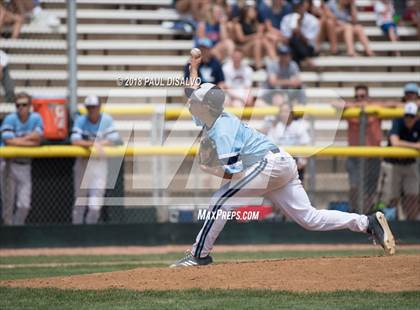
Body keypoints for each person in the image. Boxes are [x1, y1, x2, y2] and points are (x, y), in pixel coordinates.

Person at [169, 51, 396, 267]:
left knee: (221, 201)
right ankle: (367, 222)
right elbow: (192, 93)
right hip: (282, 163)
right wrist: (194, 68)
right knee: (310, 218)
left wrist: (211, 169)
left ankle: (199, 255)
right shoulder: (214, 116)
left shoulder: (221, 129)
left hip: (267, 166)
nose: (191, 105)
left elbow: (236, 174)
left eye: (196, 103)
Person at [71, 95, 121, 225]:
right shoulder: (81, 120)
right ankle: (77, 233)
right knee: (80, 202)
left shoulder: (106, 119)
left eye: (94, 107)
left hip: (99, 163)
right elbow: (75, 140)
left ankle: (89, 232)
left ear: (99, 107)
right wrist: (94, 144)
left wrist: (95, 143)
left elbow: (114, 139)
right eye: (89, 107)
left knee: (95, 205)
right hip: (83, 162)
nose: (92, 110)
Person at [0, 92, 43, 225]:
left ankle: (17, 228)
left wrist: (19, 140)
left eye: (24, 105)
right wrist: (29, 141)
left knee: (24, 205)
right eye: (18, 105)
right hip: (8, 164)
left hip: (25, 164)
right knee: (8, 203)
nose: (21, 108)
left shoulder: (36, 117)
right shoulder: (10, 119)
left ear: (30, 106)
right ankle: (9, 231)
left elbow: (39, 138)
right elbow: (7, 140)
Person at [377, 102, 420, 220]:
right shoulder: (398, 121)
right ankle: (392, 226)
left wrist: (404, 145)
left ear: (416, 116)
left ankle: (412, 227)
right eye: (407, 116)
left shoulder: (418, 124)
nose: (408, 119)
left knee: (413, 197)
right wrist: (415, 145)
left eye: (411, 116)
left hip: (409, 164)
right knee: (392, 198)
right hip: (393, 164)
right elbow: (395, 143)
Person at [344, 85, 382, 213]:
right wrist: (356, 106)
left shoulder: (376, 109)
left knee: (370, 190)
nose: (359, 99)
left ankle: (367, 214)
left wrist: (367, 107)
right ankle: (354, 212)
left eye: (362, 96)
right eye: (357, 97)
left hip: (372, 156)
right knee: (354, 187)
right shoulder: (350, 110)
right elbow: (334, 103)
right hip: (355, 157)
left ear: (368, 97)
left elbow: (395, 105)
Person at [263, 104, 310, 181]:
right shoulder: (275, 127)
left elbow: (305, 144)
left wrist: (301, 162)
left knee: (298, 187)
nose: (284, 114)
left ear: (291, 113)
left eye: (286, 111)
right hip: (280, 160)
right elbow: (270, 146)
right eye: (282, 112)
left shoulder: (299, 126)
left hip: (296, 160)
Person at [232, 4, 276, 70]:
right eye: (252, 11)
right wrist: (255, 36)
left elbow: (260, 35)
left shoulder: (255, 23)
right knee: (257, 41)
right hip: (243, 48)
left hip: (255, 47)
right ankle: (258, 67)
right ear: (246, 13)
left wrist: (261, 32)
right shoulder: (238, 24)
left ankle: (275, 63)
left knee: (265, 39)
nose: (255, 13)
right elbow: (241, 39)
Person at [280, 0, 320, 65]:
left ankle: (302, 59)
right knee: (292, 42)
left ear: (304, 6)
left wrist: (299, 33)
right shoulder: (287, 19)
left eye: (300, 6)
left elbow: (309, 42)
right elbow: (285, 40)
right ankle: (305, 59)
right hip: (292, 47)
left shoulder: (312, 20)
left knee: (295, 42)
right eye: (296, 6)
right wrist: (293, 32)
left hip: (307, 48)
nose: (298, 8)